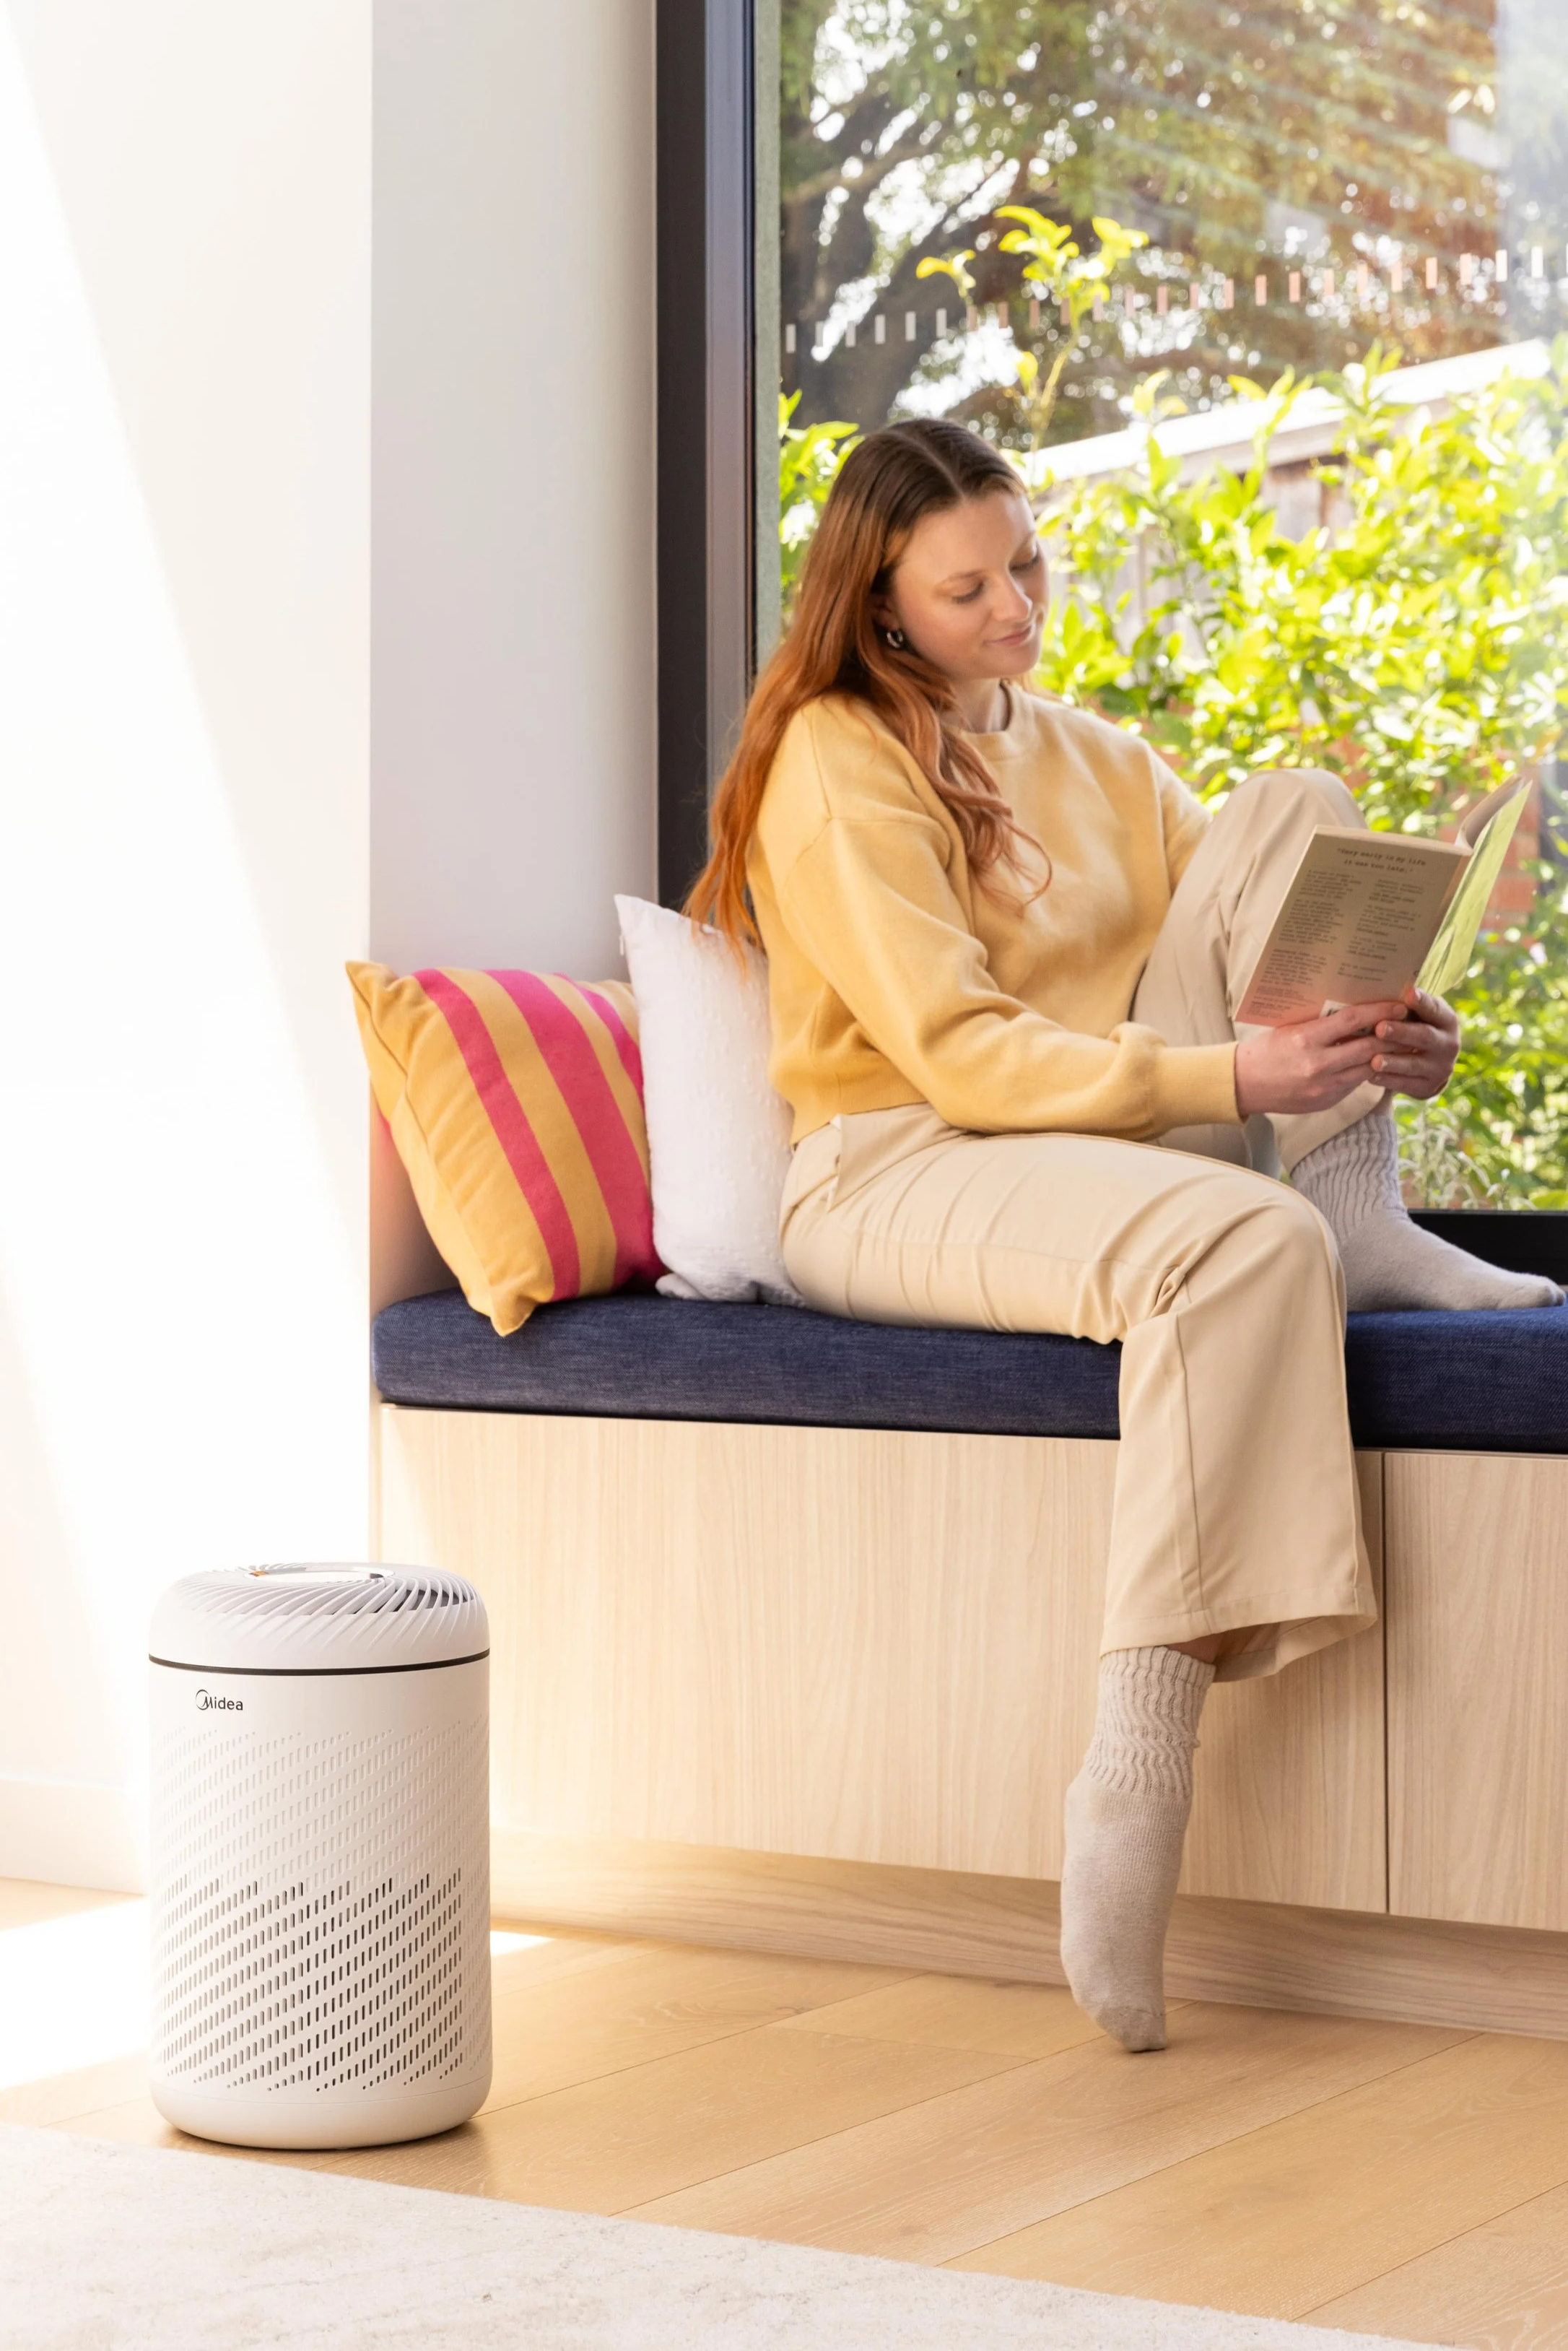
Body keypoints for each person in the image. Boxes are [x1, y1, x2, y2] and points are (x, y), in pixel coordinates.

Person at [686, 417, 1561, 2056]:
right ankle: (1137, 1762)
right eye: (971, 589)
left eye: (1028, 559)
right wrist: (1239, 1075)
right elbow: (957, 1051)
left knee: (1298, 799)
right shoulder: (835, 761)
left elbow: (1245, 949)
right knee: (1239, 1248)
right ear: (881, 612)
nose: (1019, 603)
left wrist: (1373, 1036)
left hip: (1094, 1138)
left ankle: (1358, 1199)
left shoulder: (1082, 750)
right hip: (902, 1163)